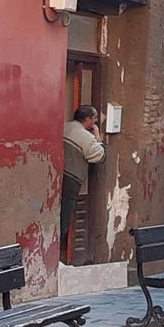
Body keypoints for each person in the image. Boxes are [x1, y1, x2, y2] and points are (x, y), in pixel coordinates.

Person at [62, 106, 106, 253]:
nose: (96, 121)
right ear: (87, 120)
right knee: (64, 218)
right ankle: (60, 254)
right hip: (70, 181)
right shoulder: (86, 137)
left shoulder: (64, 127)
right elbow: (100, 156)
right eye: (94, 118)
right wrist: (97, 136)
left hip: (56, 176)